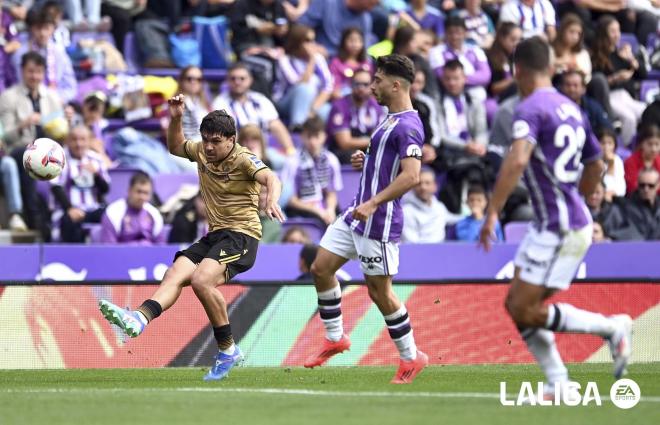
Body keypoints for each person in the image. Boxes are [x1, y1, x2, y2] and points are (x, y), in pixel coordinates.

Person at [478, 37, 632, 401]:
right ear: (550, 67)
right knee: (518, 305)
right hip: (558, 222)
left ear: (517, 71)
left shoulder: (529, 109)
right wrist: (578, 198)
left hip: (558, 227)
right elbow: (597, 164)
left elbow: (516, 161)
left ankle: (612, 328)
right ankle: (558, 380)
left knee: (524, 307)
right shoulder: (573, 109)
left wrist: (493, 211)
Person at [99, 96, 285, 381]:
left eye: (216, 141)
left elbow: (272, 178)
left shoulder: (245, 159)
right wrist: (176, 117)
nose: (209, 147)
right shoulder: (201, 152)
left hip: (242, 236)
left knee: (201, 280)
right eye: (205, 139)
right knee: (175, 272)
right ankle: (139, 317)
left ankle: (227, 349)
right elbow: (175, 146)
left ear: (231, 140)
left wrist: (271, 199)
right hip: (215, 234)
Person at [304, 54, 429, 384]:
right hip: (357, 213)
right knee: (320, 268)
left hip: (379, 219)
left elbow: (412, 175)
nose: (372, 86)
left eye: (377, 80)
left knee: (381, 293)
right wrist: (368, 159)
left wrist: (374, 202)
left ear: (396, 84)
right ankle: (336, 338)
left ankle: (411, 358)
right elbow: (386, 164)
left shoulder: (409, 126)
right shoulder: (389, 119)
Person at [0, 51, 63, 240]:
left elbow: (60, 132)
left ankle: (44, 215)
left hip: (49, 150)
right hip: (18, 150)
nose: (34, 76)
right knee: (29, 156)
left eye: (38, 72)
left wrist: (64, 123)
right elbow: (5, 137)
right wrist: (23, 125)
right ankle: (33, 216)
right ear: (22, 72)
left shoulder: (52, 97)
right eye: (30, 71)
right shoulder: (9, 97)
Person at [213, 62, 295, 155]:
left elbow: (276, 125)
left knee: (284, 161)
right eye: (233, 79)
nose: (237, 82)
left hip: (263, 152)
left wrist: (290, 149)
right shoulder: (220, 103)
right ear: (227, 81)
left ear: (250, 80)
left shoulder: (260, 100)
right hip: (235, 154)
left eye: (242, 78)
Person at [592, 15, 647, 147]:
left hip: (626, 97)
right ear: (604, 33)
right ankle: (622, 150)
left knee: (648, 111)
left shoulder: (622, 54)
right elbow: (596, 83)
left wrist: (631, 59)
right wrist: (615, 78)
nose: (617, 35)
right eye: (612, 31)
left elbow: (643, 74)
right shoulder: (596, 56)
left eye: (618, 30)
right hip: (610, 98)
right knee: (629, 118)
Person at [51, 125, 110, 242]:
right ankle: (73, 257)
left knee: (111, 215)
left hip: (92, 208)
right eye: (74, 139)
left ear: (89, 141)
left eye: (82, 139)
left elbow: (105, 189)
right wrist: (70, 209)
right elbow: (56, 187)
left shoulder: (96, 159)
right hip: (68, 209)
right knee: (69, 221)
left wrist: (96, 175)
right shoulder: (59, 159)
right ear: (67, 141)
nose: (78, 144)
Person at [281, 117, 343, 226]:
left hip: (323, 207)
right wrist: (317, 211)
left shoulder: (331, 160)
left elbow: (331, 193)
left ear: (324, 136)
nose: (312, 142)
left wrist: (330, 210)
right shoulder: (292, 161)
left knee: (340, 219)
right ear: (302, 137)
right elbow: (290, 199)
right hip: (301, 208)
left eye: (316, 136)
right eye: (309, 136)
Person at [273, 24, 334, 129]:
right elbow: (300, 84)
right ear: (297, 42)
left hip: (311, 104)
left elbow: (328, 86)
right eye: (307, 40)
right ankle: (297, 126)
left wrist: (313, 109)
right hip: (285, 102)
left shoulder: (318, 58)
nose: (312, 44)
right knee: (305, 88)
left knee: (328, 110)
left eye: (313, 40)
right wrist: (311, 60)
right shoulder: (285, 59)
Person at [13, 8, 77, 104]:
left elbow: (71, 87)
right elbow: (17, 82)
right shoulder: (20, 53)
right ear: (32, 29)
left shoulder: (59, 53)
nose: (43, 33)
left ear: (53, 29)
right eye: (38, 28)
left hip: (55, 102)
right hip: (25, 102)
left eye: (46, 28)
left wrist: (58, 99)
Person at [326, 69, 385, 164]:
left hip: (366, 149)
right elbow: (344, 143)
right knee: (354, 156)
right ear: (351, 84)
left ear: (372, 85)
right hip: (342, 152)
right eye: (357, 84)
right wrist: (371, 141)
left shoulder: (376, 107)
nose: (361, 88)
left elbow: (379, 136)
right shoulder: (340, 106)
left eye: (365, 84)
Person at [429, 16, 491, 102]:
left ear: (465, 33)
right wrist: (461, 79)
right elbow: (442, 75)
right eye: (450, 33)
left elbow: (485, 76)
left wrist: (459, 79)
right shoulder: (436, 52)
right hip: (447, 95)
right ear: (445, 33)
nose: (454, 37)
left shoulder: (476, 50)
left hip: (477, 97)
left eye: (458, 32)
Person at [99, 171, 165, 244]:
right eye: (139, 192)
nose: (142, 197)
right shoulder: (113, 212)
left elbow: (160, 246)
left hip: (150, 254)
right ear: (129, 190)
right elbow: (109, 248)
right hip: (123, 254)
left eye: (146, 193)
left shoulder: (154, 214)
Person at [402, 167, 459, 243]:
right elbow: (411, 243)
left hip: (442, 251)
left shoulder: (439, 207)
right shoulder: (406, 211)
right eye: (419, 183)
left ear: (435, 186)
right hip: (419, 253)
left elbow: (453, 219)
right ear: (413, 187)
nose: (423, 187)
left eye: (427, 183)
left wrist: (475, 216)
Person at [558, 70, 613, 134]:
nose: (571, 89)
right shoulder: (554, 106)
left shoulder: (593, 107)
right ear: (561, 87)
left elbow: (608, 130)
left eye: (575, 85)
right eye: (568, 85)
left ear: (583, 89)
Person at [329, 27, 373, 99]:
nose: (355, 44)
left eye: (359, 41)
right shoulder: (336, 62)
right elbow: (334, 89)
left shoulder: (367, 63)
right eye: (351, 40)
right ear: (343, 42)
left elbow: (370, 88)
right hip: (341, 99)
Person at [486, 22, 521, 100]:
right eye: (513, 39)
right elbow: (493, 88)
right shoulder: (490, 58)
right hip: (496, 99)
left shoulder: (514, 56)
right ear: (501, 38)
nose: (517, 43)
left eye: (519, 40)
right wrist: (515, 80)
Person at [623, 169, 660, 240]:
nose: (646, 189)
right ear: (637, 184)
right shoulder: (625, 207)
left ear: (658, 185)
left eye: (651, 186)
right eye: (642, 185)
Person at [624, 124, 660, 196]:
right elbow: (632, 187)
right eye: (650, 144)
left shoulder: (659, 160)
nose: (653, 149)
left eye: (657, 144)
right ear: (641, 144)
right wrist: (655, 187)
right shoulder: (630, 162)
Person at [596, 128, 625, 200]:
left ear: (614, 145)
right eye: (603, 143)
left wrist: (614, 193)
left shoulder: (617, 160)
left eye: (610, 143)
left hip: (613, 198)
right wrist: (610, 167)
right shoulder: (593, 161)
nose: (606, 147)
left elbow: (621, 187)